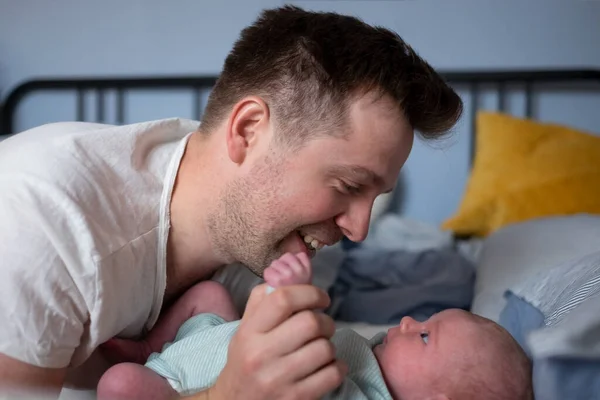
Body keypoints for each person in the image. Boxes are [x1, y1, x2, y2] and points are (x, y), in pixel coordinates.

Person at [0, 5, 463, 400]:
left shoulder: (258, 245)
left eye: (374, 198)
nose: (359, 230)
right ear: (247, 131)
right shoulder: (43, 227)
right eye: (346, 185)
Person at [96, 252, 533, 400]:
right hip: (215, 339)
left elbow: (304, 369)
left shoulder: (360, 391)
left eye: (424, 335)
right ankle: (148, 345)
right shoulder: (373, 359)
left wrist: (293, 298)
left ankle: (145, 365)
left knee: (119, 385)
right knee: (210, 296)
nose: (405, 320)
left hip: (184, 384)